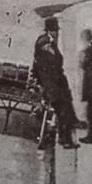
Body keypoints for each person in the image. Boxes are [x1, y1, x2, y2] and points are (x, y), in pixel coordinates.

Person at [31, 17, 80, 149]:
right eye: (54, 31)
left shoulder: (50, 42)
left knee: (67, 95)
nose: (56, 33)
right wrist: (53, 90)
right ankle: (65, 140)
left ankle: (73, 120)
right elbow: (46, 71)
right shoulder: (45, 44)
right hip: (48, 84)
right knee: (61, 106)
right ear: (48, 31)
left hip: (54, 80)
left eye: (56, 31)